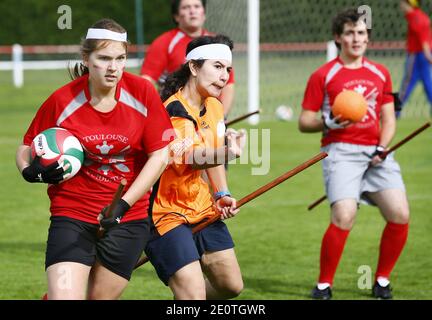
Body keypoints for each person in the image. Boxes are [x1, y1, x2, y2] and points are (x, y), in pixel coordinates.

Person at [15, 18, 174, 300]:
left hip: (128, 218)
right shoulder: (63, 100)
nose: (113, 67)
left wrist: (123, 206)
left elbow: (160, 156)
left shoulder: (143, 93)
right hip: (72, 213)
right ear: (86, 59)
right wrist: (28, 170)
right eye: (104, 58)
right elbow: (27, 146)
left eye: (121, 58)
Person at [298, 9, 410, 300]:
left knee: (400, 213)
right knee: (344, 215)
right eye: (349, 33)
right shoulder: (323, 74)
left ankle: (382, 280)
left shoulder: (381, 73)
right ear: (338, 38)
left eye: (361, 33)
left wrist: (383, 147)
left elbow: (389, 118)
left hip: (377, 153)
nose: (356, 38)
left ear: (367, 38)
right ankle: (324, 285)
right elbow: (304, 121)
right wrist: (328, 122)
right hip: (340, 151)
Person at [144, 34, 245, 300]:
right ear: (193, 67)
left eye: (228, 69)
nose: (224, 76)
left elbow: (212, 157)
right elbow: (191, 157)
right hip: (165, 213)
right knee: (192, 295)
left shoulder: (214, 105)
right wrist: (228, 152)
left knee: (231, 286)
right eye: (217, 66)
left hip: (201, 206)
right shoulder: (174, 109)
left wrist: (221, 194)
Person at [140, 0, 235, 118]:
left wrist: (222, 118)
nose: (192, 11)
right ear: (176, 16)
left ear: (204, 14)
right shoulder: (164, 43)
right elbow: (146, 81)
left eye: (196, 6)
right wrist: (156, 112)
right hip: (176, 116)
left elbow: (229, 85)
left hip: (211, 117)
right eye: (186, 7)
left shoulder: (217, 44)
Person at [398, 0, 432, 117]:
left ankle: (394, 112)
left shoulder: (416, 18)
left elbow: (424, 40)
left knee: (406, 85)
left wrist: (428, 56)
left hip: (417, 56)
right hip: (421, 55)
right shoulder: (418, 16)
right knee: (428, 84)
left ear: (410, 3)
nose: (400, 5)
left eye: (403, 3)